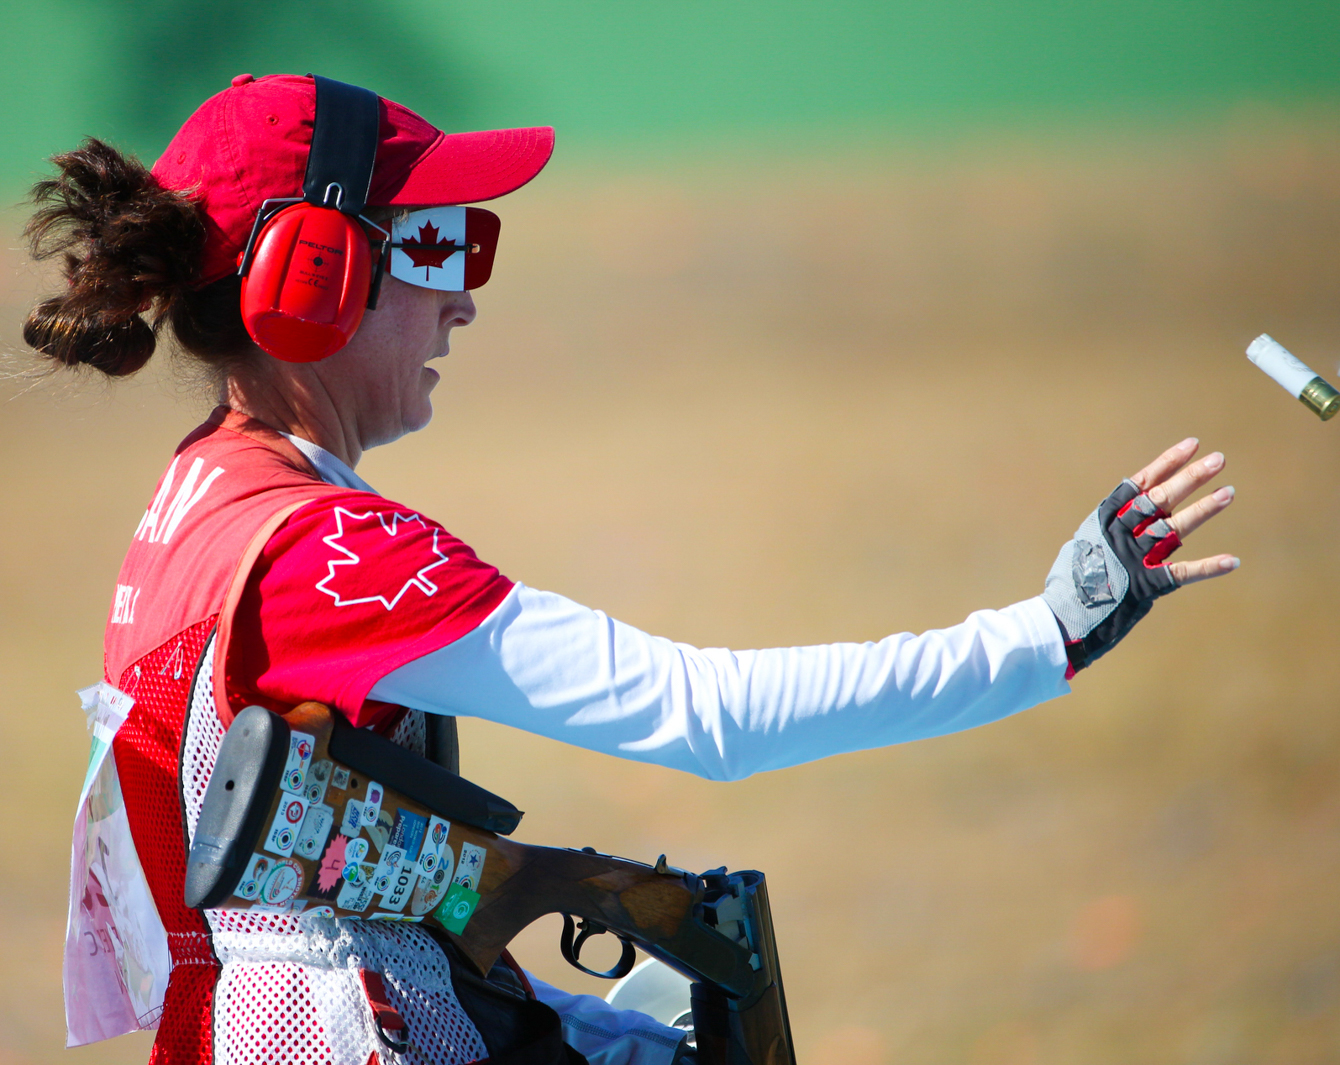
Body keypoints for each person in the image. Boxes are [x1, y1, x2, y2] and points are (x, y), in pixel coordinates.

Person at [26, 74, 1238, 1065]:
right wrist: (1044, 637)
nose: (463, 302)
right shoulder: (323, 549)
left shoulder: (202, 497)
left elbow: (326, 898)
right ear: (317, 276)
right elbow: (703, 717)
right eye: (442, 247)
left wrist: (582, 1031)